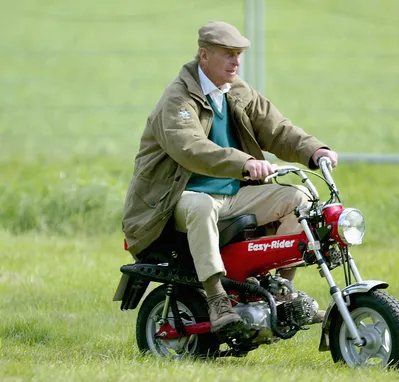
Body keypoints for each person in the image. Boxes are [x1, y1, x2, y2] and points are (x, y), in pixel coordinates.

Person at [122, 21, 338, 333]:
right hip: (175, 200)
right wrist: (245, 162)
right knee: (202, 207)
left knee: (298, 199)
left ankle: (281, 288)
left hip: (233, 195)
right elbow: (191, 148)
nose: (236, 61)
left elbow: (277, 129)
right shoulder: (178, 100)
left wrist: (315, 150)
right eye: (228, 54)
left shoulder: (237, 91)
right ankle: (216, 298)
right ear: (204, 55)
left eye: (238, 54)